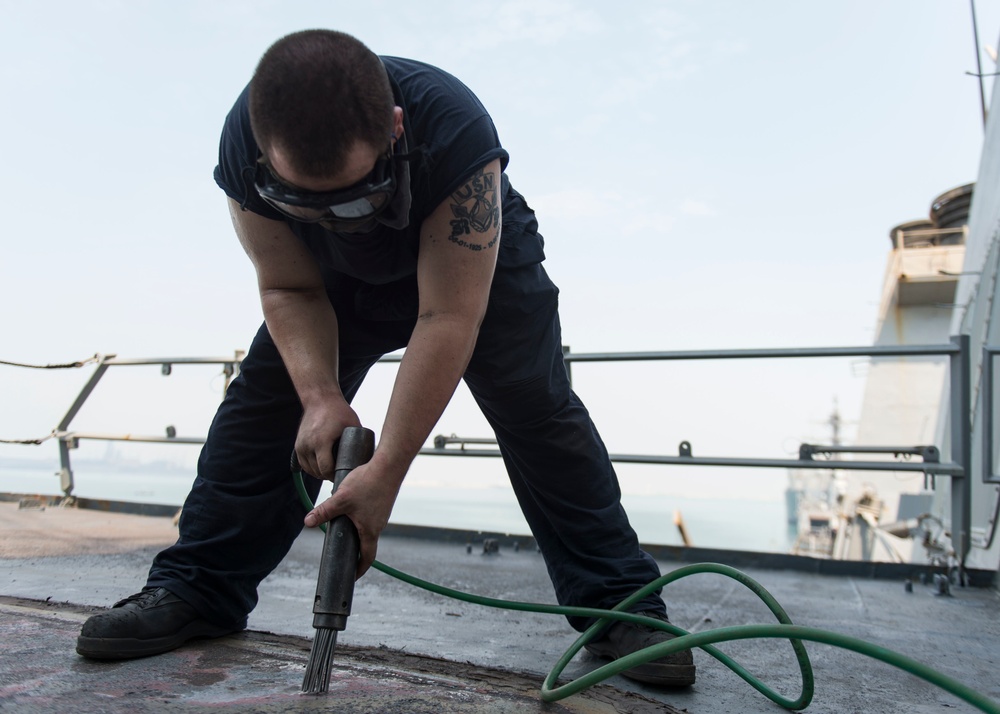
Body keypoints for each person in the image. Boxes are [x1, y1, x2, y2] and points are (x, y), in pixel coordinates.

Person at [76, 29, 695, 688]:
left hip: (469, 263)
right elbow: (288, 286)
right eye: (303, 203)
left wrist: (386, 472)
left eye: (350, 197)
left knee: (538, 414)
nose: (336, 218)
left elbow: (447, 316)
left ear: (396, 130)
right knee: (261, 411)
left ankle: (621, 607)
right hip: (329, 282)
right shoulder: (243, 144)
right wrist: (318, 397)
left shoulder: (453, 126)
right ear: (265, 156)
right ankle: (196, 591)